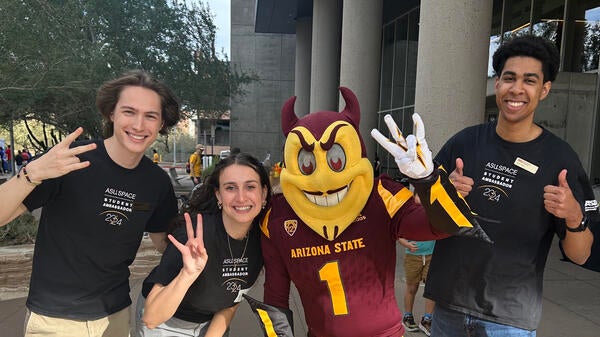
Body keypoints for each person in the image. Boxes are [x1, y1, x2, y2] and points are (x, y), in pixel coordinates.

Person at [247, 87, 487, 337]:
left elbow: (442, 227)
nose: (323, 178)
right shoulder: (277, 217)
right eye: (307, 163)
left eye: (336, 160)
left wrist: (429, 181)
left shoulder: (381, 196)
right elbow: (275, 297)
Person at [423, 35, 596, 336]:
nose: (517, 89)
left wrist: (573, 217)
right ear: (497, 83)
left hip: (509, 321)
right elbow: (419, 210)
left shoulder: (560, 160)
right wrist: (441, 193)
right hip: (449, 309)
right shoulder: (464, 142)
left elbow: (581, 254)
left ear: (544, 90)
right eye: (509, 78)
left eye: (529, 80)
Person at [0, 70, 181, 337]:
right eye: (129, 112)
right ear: (112, 113)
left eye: (150, 116)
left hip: (115, 316)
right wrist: (31, 174)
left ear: (161, 124)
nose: (139, 125)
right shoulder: (69, 161)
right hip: (55, 318)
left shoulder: (157, 182)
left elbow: (163, 244)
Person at [135, 152, 271, 337]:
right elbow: (151, 318)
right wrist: (188, 274)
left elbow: (231, 303)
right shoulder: (194, 237)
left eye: (250, 187)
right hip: (167, 323)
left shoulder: (263, 239)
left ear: (263, 193)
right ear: (218, 195)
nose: (241, 198)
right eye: (230, 188)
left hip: (212, 323)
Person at [398, 237, 435, 336]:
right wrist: (406, 244)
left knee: (431, 289)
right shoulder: (408, 221)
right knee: (412, 288)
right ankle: (408, 316)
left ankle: (427, 319)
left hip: (432, 255)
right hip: (412, 255)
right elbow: (399, 234)